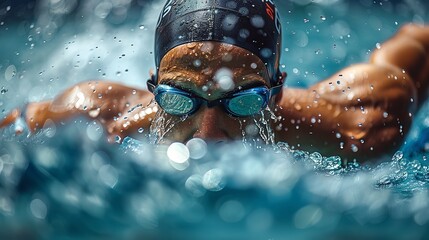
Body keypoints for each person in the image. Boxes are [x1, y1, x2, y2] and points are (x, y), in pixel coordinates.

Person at [1, 0, 428, 163]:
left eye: (242, 102)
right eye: (178, 98)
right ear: (153, 86)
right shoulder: (87, 116)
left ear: (275, 93)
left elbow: (421, 42)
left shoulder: (357, 125)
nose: (207, 139)